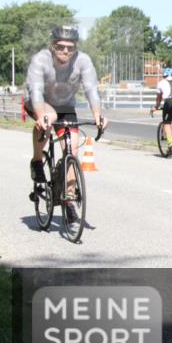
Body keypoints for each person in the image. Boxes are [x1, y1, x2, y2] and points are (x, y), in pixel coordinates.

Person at [24, 25, 107, 221]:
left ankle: (68, 200)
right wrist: (40, 115)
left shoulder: (83, 60)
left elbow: (91, 91)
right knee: (49, 117)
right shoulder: (40, 60)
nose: (66, 51)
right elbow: (35, 91)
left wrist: (98, 115)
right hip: (38, 102)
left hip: (65, 106)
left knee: (72, 151)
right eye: (61, 46)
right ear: (52, 46)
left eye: (71, 47)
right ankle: (37, 161)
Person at [150, 67, 172, 144]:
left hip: (170, 102)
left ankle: (170, 144)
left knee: (166, 123)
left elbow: (159, 98)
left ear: (164, 76)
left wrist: (156, 106)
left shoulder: (161, 83)